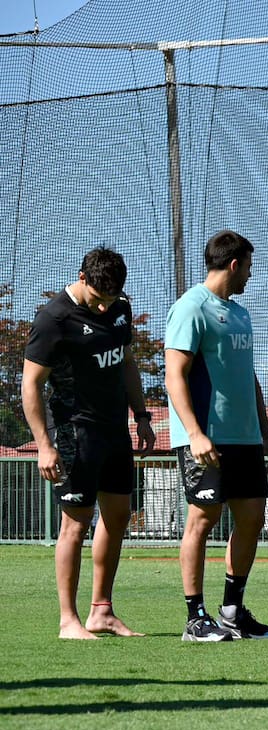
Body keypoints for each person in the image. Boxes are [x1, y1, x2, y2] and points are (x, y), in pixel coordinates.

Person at [22, 247, 156, 638]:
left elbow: (127, 361)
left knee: (117, 517)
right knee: (75, 526)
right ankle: (69, 620)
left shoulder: (119, 308)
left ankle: (102, 611)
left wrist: (142, 415)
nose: (103, 308)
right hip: (75, 434)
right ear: (82, 277)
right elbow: (31, 384)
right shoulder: (54, 319)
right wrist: (44, 445)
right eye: (98, 299)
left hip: (115, 431)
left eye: (110, 300)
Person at [165, 230, 268, 642]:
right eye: (248, 268)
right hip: (206, 437)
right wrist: (195, 433)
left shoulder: (240, 313)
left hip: (245, 438)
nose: (250, 276)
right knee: (202, 518)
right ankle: (195, 617)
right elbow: (174, 375)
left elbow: (248, 377)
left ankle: (232, 611)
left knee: (253, 518)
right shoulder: (191, 307)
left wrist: (266, 433)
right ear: (234, 265)